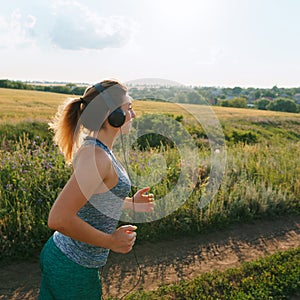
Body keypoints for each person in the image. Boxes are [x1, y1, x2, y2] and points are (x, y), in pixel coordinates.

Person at [39, 79, 154, 299]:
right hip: (73, 266)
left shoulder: (99, 151)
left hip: (67, 260)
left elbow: (96, 198)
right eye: (128, 109)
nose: (134, 114)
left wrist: (131, 204)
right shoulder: (97, 158)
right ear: (113, 116)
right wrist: (111, 242)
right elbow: (58, 218)